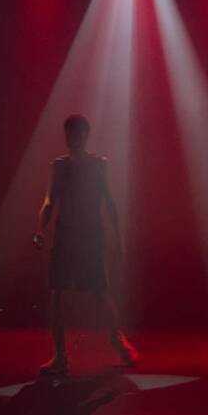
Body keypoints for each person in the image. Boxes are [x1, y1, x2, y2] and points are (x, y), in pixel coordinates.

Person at [33, 114, 138, 376]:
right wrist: (39, 230)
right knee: (56, 294)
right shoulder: (58, 166)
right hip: (65, 236)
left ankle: (118, 341)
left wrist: (118, 238)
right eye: (68, 134)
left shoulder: (98, 165)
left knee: (100, 292)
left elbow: (110, 202)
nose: (71, 138)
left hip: (90, 237)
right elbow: (48, 202)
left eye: (76, 134)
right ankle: (60, 357)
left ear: (85, 135)